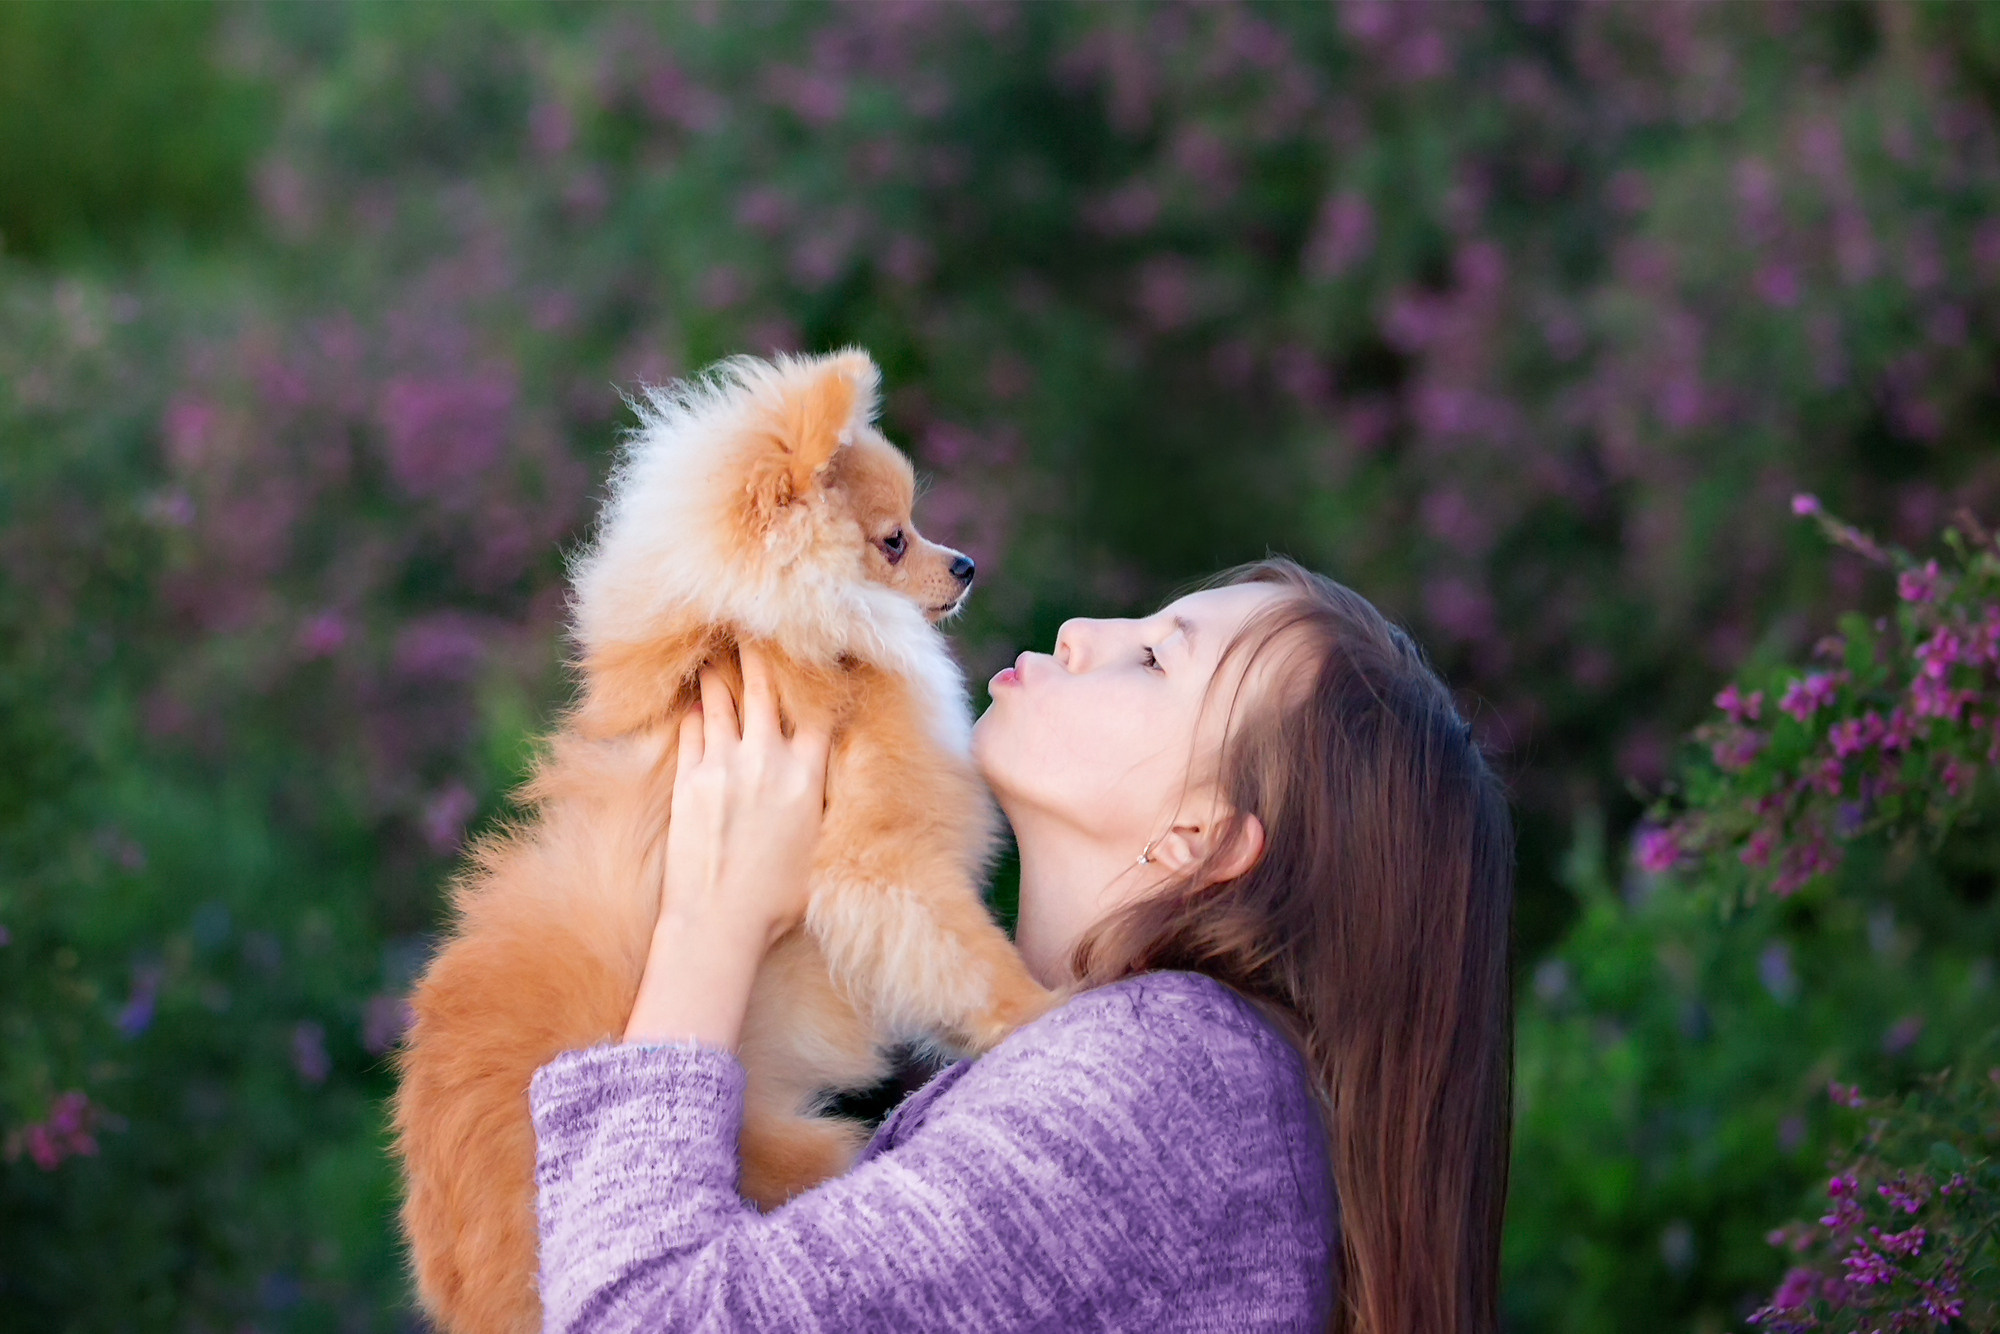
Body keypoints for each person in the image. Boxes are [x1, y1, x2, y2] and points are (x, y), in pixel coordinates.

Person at [531, 557, 1515, 1334]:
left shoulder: (1160, 1082)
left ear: (1200, 839)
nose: (1085, 634)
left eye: (1154, 659)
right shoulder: (1180, 1090)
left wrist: (710, 918)